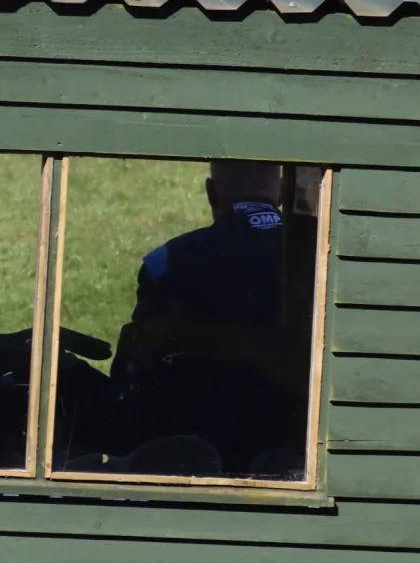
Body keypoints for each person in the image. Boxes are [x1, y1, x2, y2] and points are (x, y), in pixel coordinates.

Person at [73, 159, 300, 479]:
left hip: (195, 457)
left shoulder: (165, 261)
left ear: (211, 192)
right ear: (280, 191)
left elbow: (137, 370)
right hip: (295, 452)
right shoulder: (316, 256)